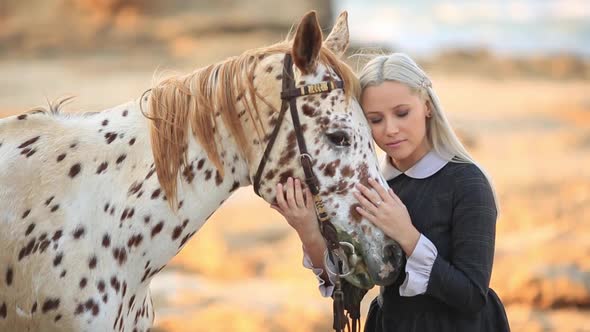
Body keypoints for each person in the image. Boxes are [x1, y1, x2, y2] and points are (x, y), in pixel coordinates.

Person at [270, 53, 511, 331]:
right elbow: (349, 288)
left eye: (402, 113)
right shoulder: (372, 187)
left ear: (427, 106)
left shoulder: (468, 183)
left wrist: (407, 235)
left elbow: (471, 296)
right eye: (375, 119)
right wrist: (307, 229)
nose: (390, 130)